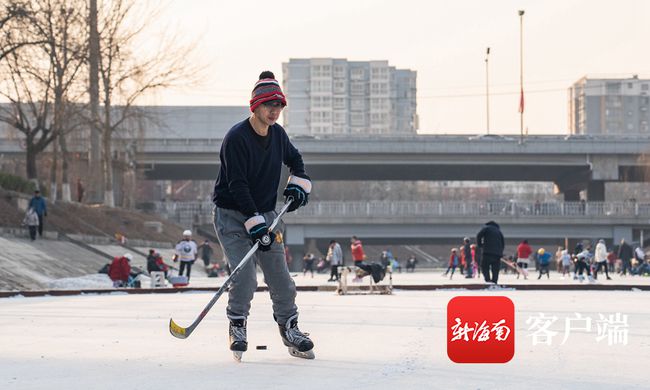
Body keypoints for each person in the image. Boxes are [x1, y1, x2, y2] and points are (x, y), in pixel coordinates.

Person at [211, 71, 314, 360]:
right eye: (269, 105)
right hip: (231, 215)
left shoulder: (279, 135)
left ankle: (290, 327)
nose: (274, 111)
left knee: (280, 277)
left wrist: (297, 184)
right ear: (254, 107)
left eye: (279, 106)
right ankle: (237, 324)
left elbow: (296, 161)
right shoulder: (236, 138)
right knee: (244, 276)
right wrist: (253, 221)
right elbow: (237, 184)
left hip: (267, 215)